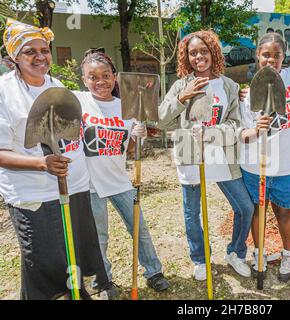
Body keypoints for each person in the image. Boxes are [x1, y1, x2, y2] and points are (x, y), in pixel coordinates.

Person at [0, 19, 108, 300]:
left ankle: (75, 294)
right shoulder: (4, 92)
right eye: (29, 51)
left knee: (73, 254)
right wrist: (41, 163)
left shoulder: (57, 84)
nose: (40, 57)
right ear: (14, 57)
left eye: (44, 49)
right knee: (42, 263)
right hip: (33, 194)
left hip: (73, 188)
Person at [157, 30, 254, 280]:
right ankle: (200, 259)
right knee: (193, 213)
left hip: (222, 156)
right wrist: (182, 98)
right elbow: (162, 121)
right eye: (193, 52)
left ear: (213, 52)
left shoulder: (229, 86)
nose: (199, 56)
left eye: (204, 51)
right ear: (186, 57)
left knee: (244, 207)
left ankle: (235, 252)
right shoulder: (180, 84)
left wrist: (211, 131)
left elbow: (235, 125)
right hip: (190, 155)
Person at [74, 50, 169, 298]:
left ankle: (153, 272)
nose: (100, 81)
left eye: (105, 75)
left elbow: (129, 149)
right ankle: (102, 280)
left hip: (120, 181)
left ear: (115, 77)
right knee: (99, 237)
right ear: (84, 79)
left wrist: (139, 135)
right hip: (91, 185)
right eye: (93, 77)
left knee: (139, 228)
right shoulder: (79, 101)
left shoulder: (125, 106)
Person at [239, 32, 290, 282]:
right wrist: (256, 129)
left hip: (287, 165)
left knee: (285, 212)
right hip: (256, 165)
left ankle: (288, 255)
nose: (271, 60)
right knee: (258, 211)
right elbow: (242, 133)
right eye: (266, 55)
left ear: (283, 57)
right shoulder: (248, 93)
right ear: (258, 55)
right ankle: (260, 252)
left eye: (276, 55)